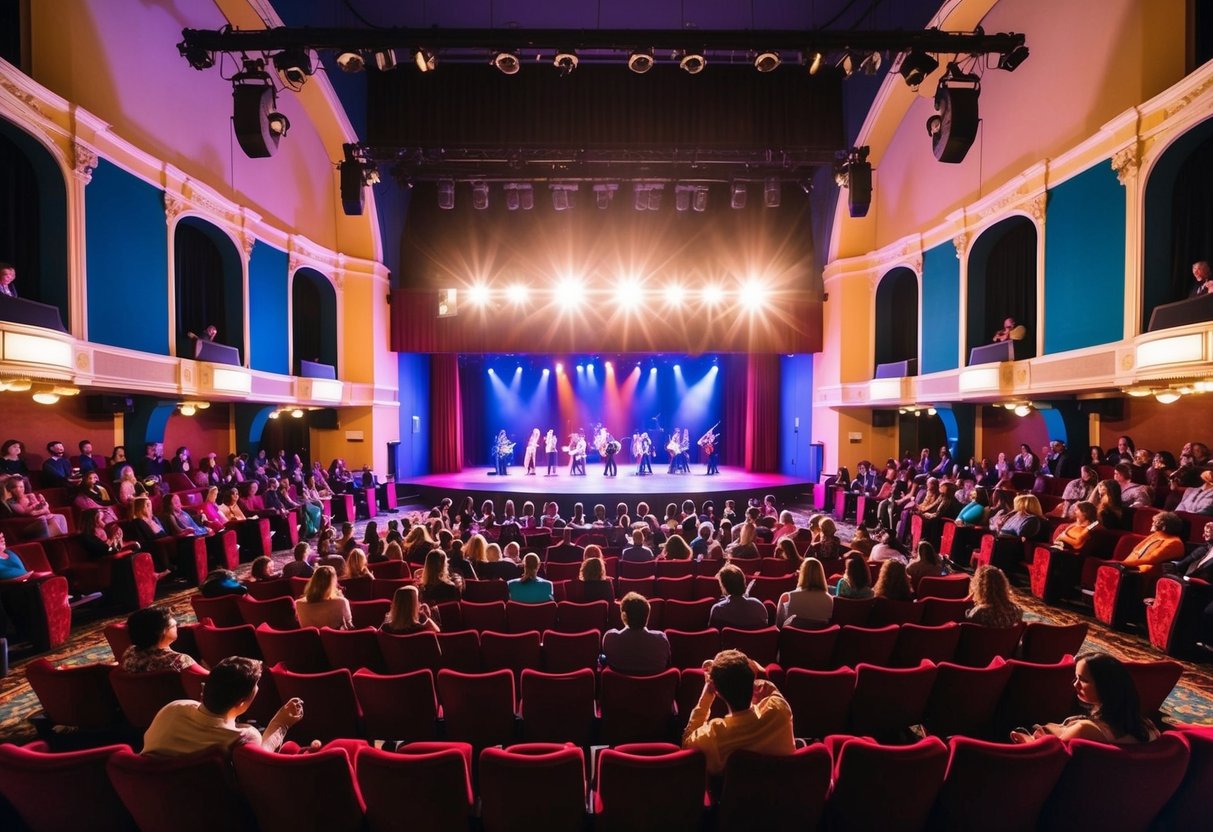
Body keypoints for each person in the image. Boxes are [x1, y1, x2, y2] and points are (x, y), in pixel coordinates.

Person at [142, 657, 306, 756]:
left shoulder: (172, 708)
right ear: (241, 702)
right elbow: (262, 760)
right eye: (256, 687)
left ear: (205, 689)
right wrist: (281, 723)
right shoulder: (243, 737)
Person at [682, 649, 795, 776]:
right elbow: (768, 688)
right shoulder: (780, 710)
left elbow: (686, 743)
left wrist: (707, 695)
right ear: (752, 680)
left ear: (717, 692)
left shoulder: (712, 736)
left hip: (736, 796)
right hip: (781, 793)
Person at [1012, 653, 1158, 745]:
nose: (1075, 684)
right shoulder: (1147, 726)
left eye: (1082, 680)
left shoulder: (1084, 729)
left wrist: (1028, 740)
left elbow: (1048, 759)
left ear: (1105, 686)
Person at [602, 592, 671, 675]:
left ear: (623, 616)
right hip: (653, 687)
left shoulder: (610, 638)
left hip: (619, 687)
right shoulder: (661, 639)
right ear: (647, 615)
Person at [1120, 511, 1186, 591]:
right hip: (1133, 567)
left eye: (1155, 522)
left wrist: (1123, 564)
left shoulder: (1174, 542)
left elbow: (1151, 559)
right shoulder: (1157, 535)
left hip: (1146, 573)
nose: (1152, 523)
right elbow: (1136, 551)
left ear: (1164, 526)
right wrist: (1122, 564)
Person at [120, 606, 196, 672]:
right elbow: (205, 679)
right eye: (173, 625)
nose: (176, 622)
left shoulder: (129, 654)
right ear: (160, 631)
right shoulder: (178, 661)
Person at [708, 564, 768, 630]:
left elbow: (713, 635)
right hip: (754, 640)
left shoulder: (718, 610)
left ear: (724, 586)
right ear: (743, 581)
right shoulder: (759, 606)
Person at [776, 558, 832, 627]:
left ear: (802, 574)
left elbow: (778, 627)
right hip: (819, 638)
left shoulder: (787, 597)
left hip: (792, 637)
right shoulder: (830, 600)